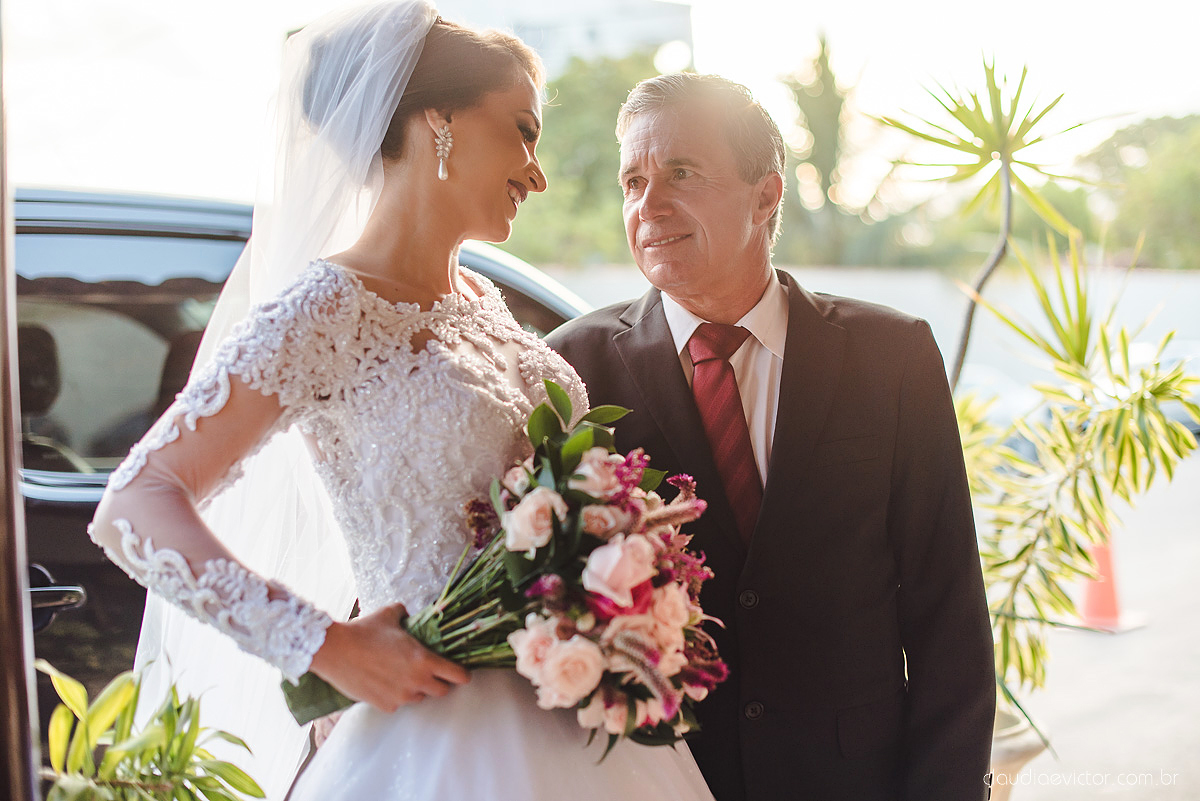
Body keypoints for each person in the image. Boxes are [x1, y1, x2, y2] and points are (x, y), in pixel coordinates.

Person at [88, 5, 716, 801]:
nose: (537, 170)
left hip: (580, 722)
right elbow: (135, 503)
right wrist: (322, 644)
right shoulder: (326, 310)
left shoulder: (487, 303)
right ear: (439, 120)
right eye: (523, 130)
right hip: (432, 740)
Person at [546, 73, 995, 801]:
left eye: (681, 172)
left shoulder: (894, 354)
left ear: (766, 193)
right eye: (633, 180)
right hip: (659, 780)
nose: (648, 205)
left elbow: (949, 619)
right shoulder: (574, 367)